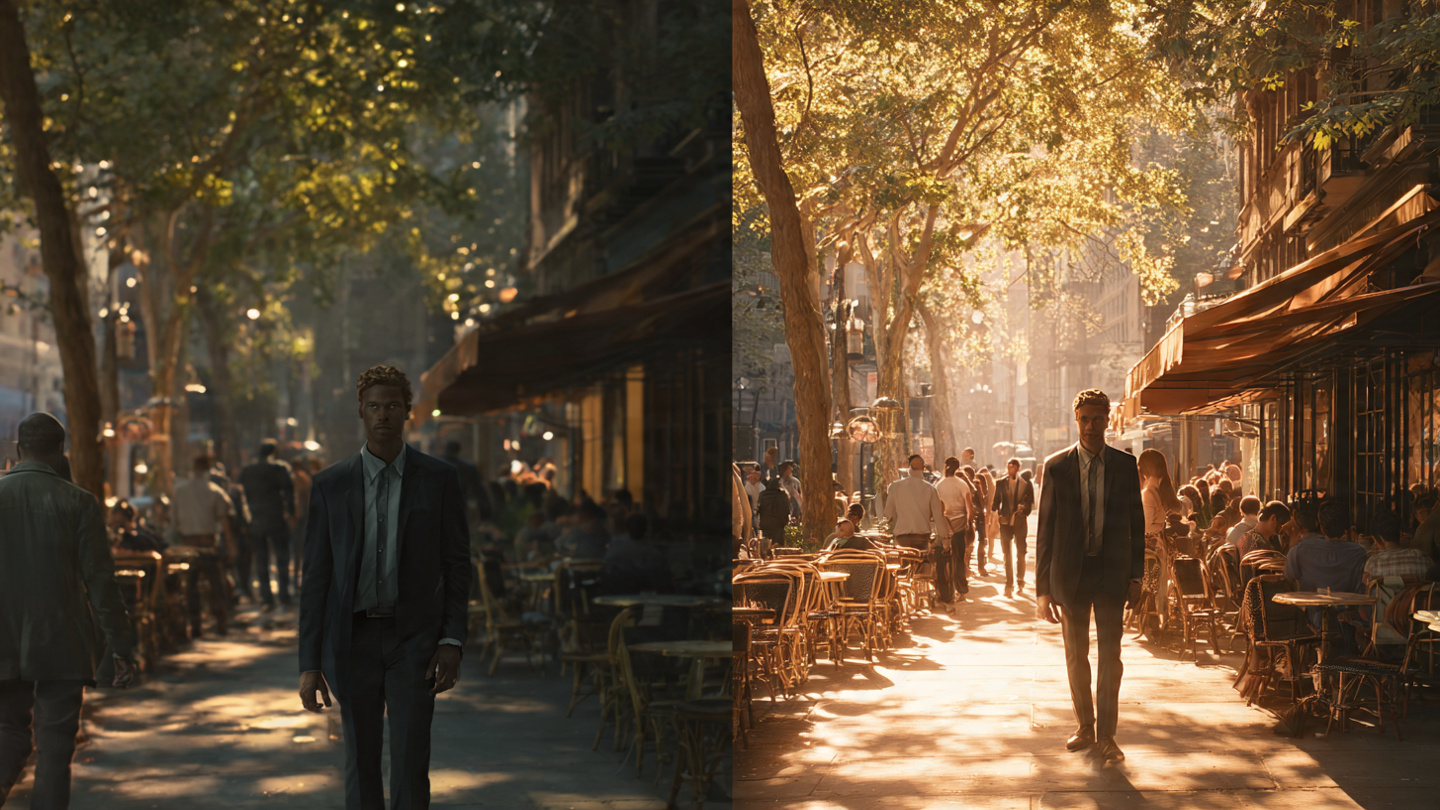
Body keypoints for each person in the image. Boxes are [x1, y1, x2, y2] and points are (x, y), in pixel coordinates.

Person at [298, 365, 470, 810]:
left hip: (414, 639)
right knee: (362, 760)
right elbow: (316, 578)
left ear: (407, 411)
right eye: (374, 406)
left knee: (412, 760)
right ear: (361, 411)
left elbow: (456, 564)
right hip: (352, 641)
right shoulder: (330, 485)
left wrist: (451, 639)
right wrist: (309, 662)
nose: (383, 415)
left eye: (392, 406)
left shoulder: (439, 479)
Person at [0, 413, 138, 809]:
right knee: (56, 747)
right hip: (61, 640)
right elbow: (101, 581)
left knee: (9, 732)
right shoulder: (79, 501)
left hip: (3, 637)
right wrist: (121, 645)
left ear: (17, 449)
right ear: (61, 451)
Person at [1035, 389, 1145, 765]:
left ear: (1108, 420)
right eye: (1085, 419)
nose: (1091, 426)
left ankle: (1108, 735)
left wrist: (1137, 577)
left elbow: (1137, 526)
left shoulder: (1125, 465)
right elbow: (1045, 530)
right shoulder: (1055, 466)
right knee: (1075, 655)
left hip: (1112, 574)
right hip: (1071, 576)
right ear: (1076, 420)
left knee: (1110, 656)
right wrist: (1042, 591)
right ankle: (1085, 726)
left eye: (1098, 419)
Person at [171, 454, 235, 636]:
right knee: (217, 585)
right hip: (208, 546)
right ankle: (221, 621)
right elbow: (225, 521)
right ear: (209, 470)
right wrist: (231, 547)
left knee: (191, 587)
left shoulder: (179, 490)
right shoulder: (215, 491)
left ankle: (196, 625)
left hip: (187, 546)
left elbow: (174, 522)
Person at [1283, 498, 1367, 631]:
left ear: (1320, 525)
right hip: (1349, 618)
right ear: (1347, 526)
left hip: (1309, 618)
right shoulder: (1359, 553)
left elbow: (1289, 579)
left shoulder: (1299, 551)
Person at [240, 440, 296, 609]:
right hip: (276, 518)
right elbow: (289, 492)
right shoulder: (279, 469)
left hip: (256, 519)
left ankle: (266, 597)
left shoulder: (248, 471)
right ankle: (284, 594)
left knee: (261, 559)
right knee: (282, 558)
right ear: (273, 452)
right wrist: (291, 513)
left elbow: (245, 496)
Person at [882, 454, 945, 554]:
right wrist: (945, 540)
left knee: (903, 565)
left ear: (909, 467)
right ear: (923, 469)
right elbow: (938, 516)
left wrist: (896, 521)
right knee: (923, 564)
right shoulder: (930, 489)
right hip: (922, 537)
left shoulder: (895, 487)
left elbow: (888, 513)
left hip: (902, 537)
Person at [992, 457, 1035, 598]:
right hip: (1005, 521)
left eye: (1014, 467)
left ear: (1018, 468)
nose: (1011, 469)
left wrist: (1023, 511)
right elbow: (996, 502)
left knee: (1021, 551)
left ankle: (1020, 579)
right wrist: (996, 514)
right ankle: (1009, 583)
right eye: (1009, 467)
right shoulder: (1000, 483)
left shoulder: (1026, 484)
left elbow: (1030, 504)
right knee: (1007, 553)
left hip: (1020, 521)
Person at [935, 457, 975, 605]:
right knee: (958, 559)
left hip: (944, 525)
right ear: (957, 468)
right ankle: (962, 591)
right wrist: (969, 523)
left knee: (944, 559)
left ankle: (946, 592)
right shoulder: (962, 484)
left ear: (945, 467)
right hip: (959, 526)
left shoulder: (939, 485)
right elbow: (969, 507)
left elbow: (938, 507)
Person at [601, 514, 672, 593]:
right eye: (633, 526)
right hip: (620, 589)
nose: (636, 529)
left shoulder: (653, 549)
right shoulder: (618, 544)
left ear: (644, 528)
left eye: (639, 526)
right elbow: (607, 565)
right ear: (628, 527)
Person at [756, 477, 790, 549]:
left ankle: (766, 555)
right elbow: (786, 510)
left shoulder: (762, 494)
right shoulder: (782, 495)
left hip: (765, 524)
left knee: (766, 544)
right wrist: (785, 522)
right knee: (778, 545)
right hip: (778, 525)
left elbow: (758, 509)